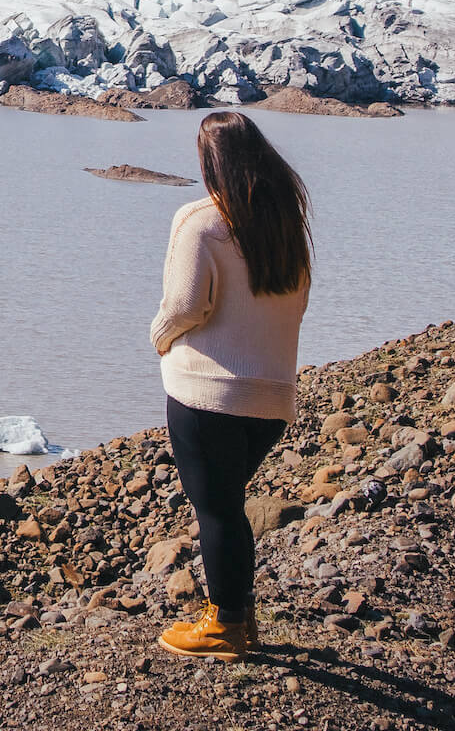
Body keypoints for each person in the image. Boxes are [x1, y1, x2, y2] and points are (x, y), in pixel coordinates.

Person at [149, 110, 312, 660]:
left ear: (210, 163)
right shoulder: (286, 222)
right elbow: (298, 305)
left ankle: (224, 627)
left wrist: (159, 338)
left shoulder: (201, 222)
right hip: (270, 399)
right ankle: (240, 617)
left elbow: (184, 306)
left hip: (207, 393)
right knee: (228, 503)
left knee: (215, 509)